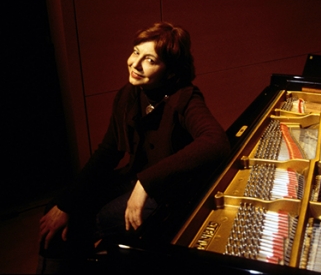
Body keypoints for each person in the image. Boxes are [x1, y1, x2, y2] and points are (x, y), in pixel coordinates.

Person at [37, 22, 230, 273]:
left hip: (170, 194)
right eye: (136, 52)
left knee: (88, 221)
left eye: (149, 59)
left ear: (170, 70)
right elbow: (107, 152)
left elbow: (217, 142)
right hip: (135, 180)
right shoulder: (128, 94)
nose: (135, 64)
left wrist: (145, 183)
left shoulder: (186, 98)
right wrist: (66, 202)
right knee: (57, 209)